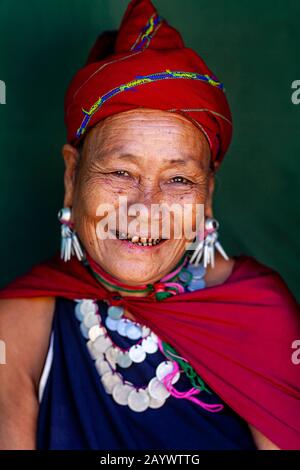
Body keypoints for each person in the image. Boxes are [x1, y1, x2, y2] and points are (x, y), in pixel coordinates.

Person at [0, 0, 299, 450]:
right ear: (71, 178)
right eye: (120, 173)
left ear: (208, 196)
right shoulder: (20, 323)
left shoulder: (261, 316)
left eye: (178, 179)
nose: (145, 208)